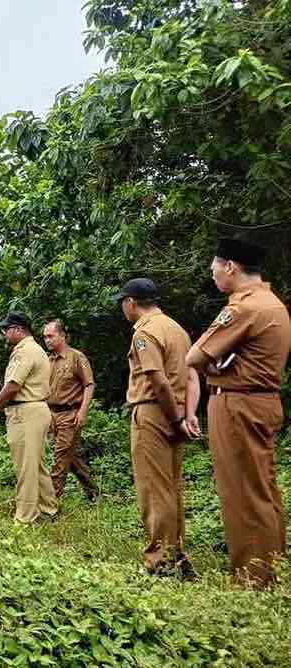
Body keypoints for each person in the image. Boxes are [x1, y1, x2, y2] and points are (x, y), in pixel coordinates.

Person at [186, 238, 291, 586]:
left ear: (230, 266)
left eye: (214, 265)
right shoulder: (272, 303)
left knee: (241, 492)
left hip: (238, 404)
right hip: (260, 402)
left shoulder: (243, 308)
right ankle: (273, 566)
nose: (212, 273)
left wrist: (214, 363)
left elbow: (195, 356)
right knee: (262, 488)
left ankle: (252, 578)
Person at [113, 278, 201, 577]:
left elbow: (158, 380)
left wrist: (176, 418)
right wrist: (188, 415)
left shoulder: (145, 333)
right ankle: (177, 555)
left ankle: (159, 562)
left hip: (154, 413)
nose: (123, 308)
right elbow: (191, 378)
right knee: (173, 487)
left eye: (122, 303)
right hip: (175, 412)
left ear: (131, 302)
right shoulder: (177, 330)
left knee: (154, 489)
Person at [0, 312, 58, 524]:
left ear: (18, 329)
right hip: (36, 409)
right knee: (36, 463)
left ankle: (25, 518)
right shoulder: (36, 350)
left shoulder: (24, 351)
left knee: (25, 466)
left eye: (6, 329)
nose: (4, 334)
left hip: (26, 412)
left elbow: (13, 385)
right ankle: (48, 509)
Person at [42, 320, 99, 500]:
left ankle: (50, 505)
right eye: (44, 337)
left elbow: (89, 385)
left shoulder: (76, 357)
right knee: (70, 457)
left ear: (62, 336)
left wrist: (83, 411)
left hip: (71, 414)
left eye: (50, 336)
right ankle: (94, 493)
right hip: (52, 415)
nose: (47, 340)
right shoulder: (48, 360)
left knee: (60, 458)